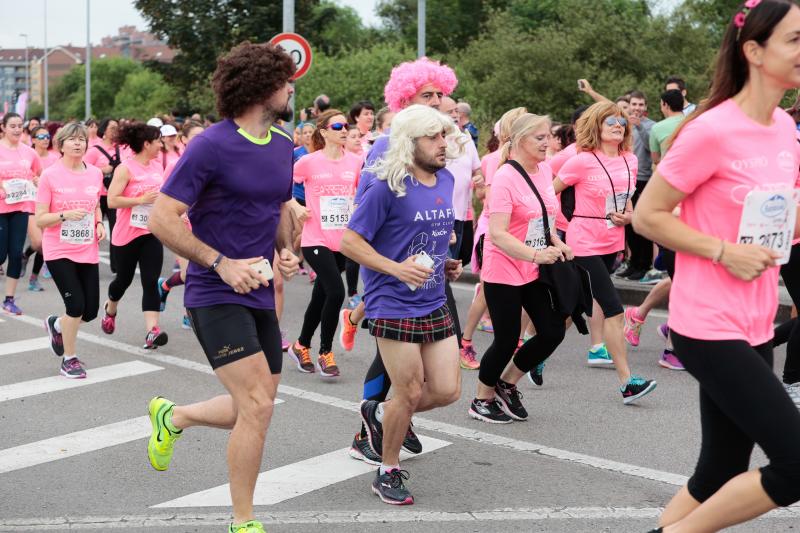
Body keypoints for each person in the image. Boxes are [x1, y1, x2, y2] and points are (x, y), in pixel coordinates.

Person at [636, 3, 800, 531]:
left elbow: (782, 218)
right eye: (795, 39)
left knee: (720, 468)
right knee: (795, 467)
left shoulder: (784, 129)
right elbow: (648, 215)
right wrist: (723, 251)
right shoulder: (710, 130)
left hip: (755, 320)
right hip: (707, 324)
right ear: (754, 51)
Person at [145, 41, 300, 533]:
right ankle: (243, 521)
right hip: (214, 292)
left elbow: (275, 207)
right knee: (256, 406)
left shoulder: (282, 145)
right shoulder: (211, 144)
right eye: (285, 80)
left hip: (257, 290)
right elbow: (161, 218)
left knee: (256, 406)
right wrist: (219, 262)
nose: (293, 87)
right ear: (262, 87)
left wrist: (286, 250)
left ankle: (175, 417)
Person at [341, 104, 463, 505]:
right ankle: (387, 469)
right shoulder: (385, 186)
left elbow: (427, 234)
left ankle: (379, 414)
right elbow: (350, 242)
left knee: (446, 391)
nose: (443, 144)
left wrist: (444, 263)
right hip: (391, 299)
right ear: (409, 142)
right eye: (433, 137)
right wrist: (394, 268)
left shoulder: (444, 179)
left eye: (444, 135)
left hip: (431, 297)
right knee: (408, 392)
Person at [553, 101, 657, 404]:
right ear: (596, 126)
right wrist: (554, 233)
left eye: (621, 123)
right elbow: (546, 194)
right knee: (613, 309)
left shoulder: (630, 160)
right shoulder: (581, 161)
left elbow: (627, 200)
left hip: (612, 242)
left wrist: (629, 216)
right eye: (610, 121)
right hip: (582, 241)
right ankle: (627, 383)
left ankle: (533, 354)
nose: (618, 126)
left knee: (574, 307)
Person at [469, 113, 570, 423]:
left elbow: (544, 216)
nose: (547, 142)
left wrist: (557, 241)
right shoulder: (504, 178)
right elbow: (497, 233)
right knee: (506, 337)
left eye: (548, 136)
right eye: (540, 137)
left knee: (552, 330)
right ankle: (481, 399)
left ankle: (508, 383)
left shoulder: (545, 170)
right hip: (505, 267)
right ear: (520, 140)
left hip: (534, 267)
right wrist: (535, 255)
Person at [288, 109, 361, 377]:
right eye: (339, 126)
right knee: (336, 292)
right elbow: (281, 186)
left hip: (341, 241)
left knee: (321, 296)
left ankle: (300, 345)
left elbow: (360, 195)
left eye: (347, 126)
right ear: (324, 132)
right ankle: (325, 352)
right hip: (314, 238)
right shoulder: (308, 162)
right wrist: (296, 207)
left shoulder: (355, 161)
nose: (344, 130)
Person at [37, 123, 104, 379]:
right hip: (58, 250)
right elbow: (41, 218)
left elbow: (95, 205)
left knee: (90, 312)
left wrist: (98, 223)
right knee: (75, 306)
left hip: (87, 248)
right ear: (61, 144)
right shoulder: (50, 175)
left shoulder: (95, 174)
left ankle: (56, 323)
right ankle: (69, 359)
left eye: (82, 139)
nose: (78, 144)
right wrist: (64, 215)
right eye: (72, 139)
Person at [103, 122, 168, 349]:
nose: (161, 144)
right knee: (124, 280)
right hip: (126, 234)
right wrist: (140, 200)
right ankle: (111, 308)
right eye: (158, 140)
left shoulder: (157, 166)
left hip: (151, 231)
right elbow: (112, 200)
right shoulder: (125, 168)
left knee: (151, 282)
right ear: (146, 143)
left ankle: (151, 332)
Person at [440, 96, 483, 370]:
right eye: (450, 110)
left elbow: (477, 173)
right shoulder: (430, 139)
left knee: (446, 277)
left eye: (457, 110)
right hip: (434, 217)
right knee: (441, 282)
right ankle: (457, 347)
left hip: (459, 216)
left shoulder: (465, 138)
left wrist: (479, 181)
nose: (456, 114)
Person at [157, 120, 205, 330]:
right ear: (183, 140)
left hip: (204, 226)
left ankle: (165, 285)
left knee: (199, 272)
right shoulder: (175, 165)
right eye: (195, 137)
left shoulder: (211, 163)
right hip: (182, 226)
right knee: (190, 273)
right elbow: (164, 199)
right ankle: (189, 314)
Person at [0, 112, 42, 315]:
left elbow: (37, 173)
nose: (17, 129)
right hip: (0, 208)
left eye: (19, 126)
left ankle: (9, 299)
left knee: (16, 254)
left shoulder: (29, 152)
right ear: (3, 128)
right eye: (12, 126)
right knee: (0, 255)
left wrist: (35, 180)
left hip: (21, 207)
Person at [25, 126, 60, 291]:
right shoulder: (27, 156)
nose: (45, 139)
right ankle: (25, 255)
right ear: (33, 140)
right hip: (30, 204)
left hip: (49, 205)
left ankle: (33, 277)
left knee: (43, 244)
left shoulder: (55, 158)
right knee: (38, 242)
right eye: (41, 137)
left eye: (47, 136)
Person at [84, 118, 122, 272]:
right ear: (104, 130)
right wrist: (103, 170)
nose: (116, 130)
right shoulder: (93, 150)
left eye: (117, 128)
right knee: (93, 230)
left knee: (117, 231)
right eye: (112, 127)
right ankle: (86, 263)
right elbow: (84, 170)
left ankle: (117, 267)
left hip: (115, 195)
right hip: (97, 196)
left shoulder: (121, 149)